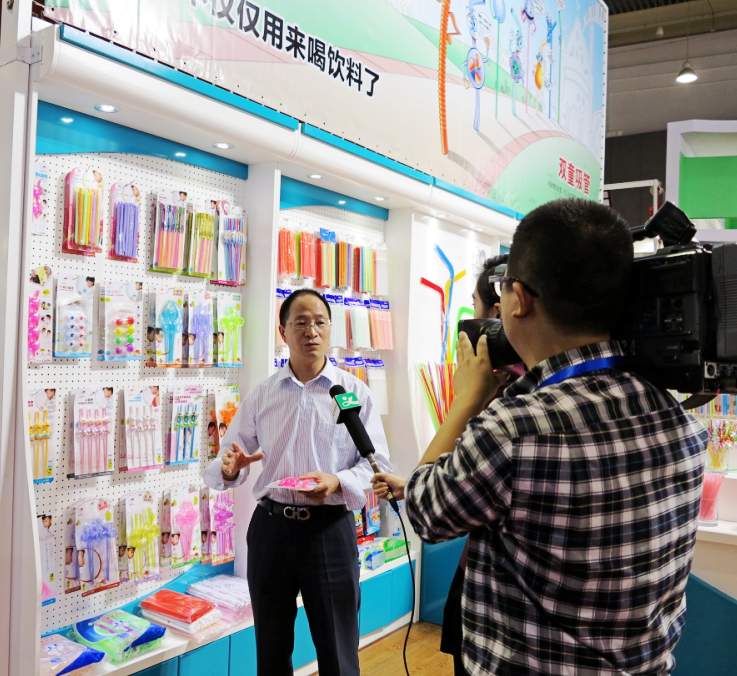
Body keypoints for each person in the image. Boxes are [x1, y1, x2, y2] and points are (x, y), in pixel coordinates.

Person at [391, 199, 706, 674]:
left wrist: (465, 401)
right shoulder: (674, 416)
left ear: (519, 298)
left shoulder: (514, 430)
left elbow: (425, 512)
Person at [204, 288, 391, 676]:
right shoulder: (263, 395)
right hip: (271, 530)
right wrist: (230, 467)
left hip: (329, 530)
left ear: (330, 328)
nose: (312, 331)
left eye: (320, 322)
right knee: (271, 649)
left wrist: (337, 480)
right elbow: (229, 459)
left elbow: (376, 466)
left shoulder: (353, 393)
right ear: (283, 331)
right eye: (301, 322)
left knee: (338, 651)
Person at [373, 256, 506, 675]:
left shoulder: (509, 415)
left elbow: (428, 514)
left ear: (502, 311)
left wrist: (466, 400)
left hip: (496, 626)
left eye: (475, 307)